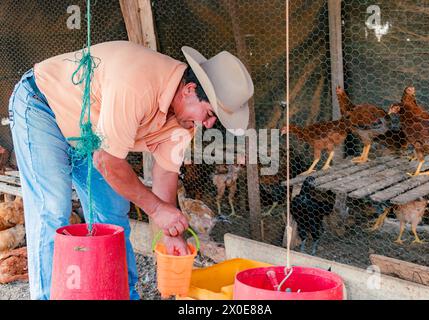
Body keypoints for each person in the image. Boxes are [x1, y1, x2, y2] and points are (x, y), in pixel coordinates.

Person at [8, 40, 254, 300]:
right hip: (42, 105)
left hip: (88, 131)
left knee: (112, 209)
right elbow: (107, 161)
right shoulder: (138, 84)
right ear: (190, 90)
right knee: (53, 209)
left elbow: (165, 173)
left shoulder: (185, 123)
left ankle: (122, 294)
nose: (207, 124)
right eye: (209, 113)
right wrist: (157, 210)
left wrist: (171, 232)